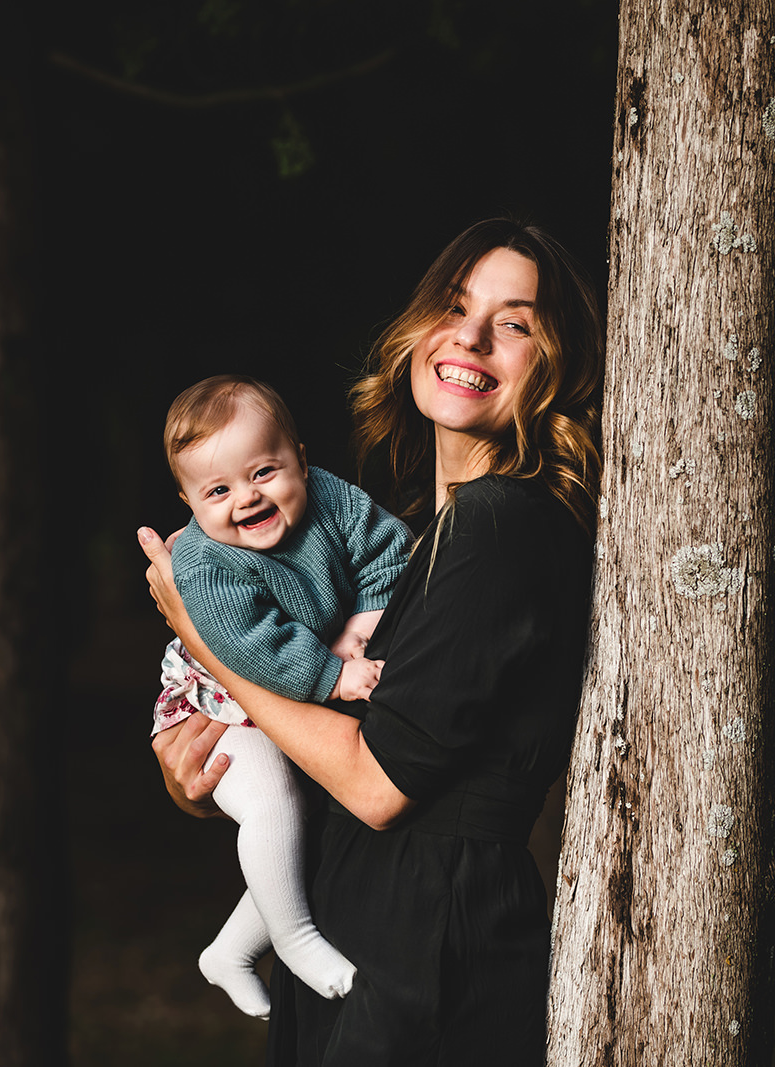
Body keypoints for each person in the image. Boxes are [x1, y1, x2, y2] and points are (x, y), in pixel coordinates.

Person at [141, 218, 602, 1065]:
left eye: (515, 322)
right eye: (457, 306)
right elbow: (315, 744)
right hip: (364, 918)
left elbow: (379, 782)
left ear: (555, 363)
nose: (469, 336)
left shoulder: (503, 525)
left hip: (426, 943)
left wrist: (206, 649)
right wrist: (201, 777)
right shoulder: (419, 530)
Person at [155, 374, 415, 1018]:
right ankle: (293, 939)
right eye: (216, 491)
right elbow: (250, 645)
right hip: (218, 700)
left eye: (263, 471)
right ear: (189, 502)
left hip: (287, 689)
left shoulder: (332, 498)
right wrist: (330, 676)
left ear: (299, 454)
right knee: (275, 804)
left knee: (306, 825)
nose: (244, 498)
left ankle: (230, 952)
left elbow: (386, 549)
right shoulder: (201, 562)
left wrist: (367, 618)